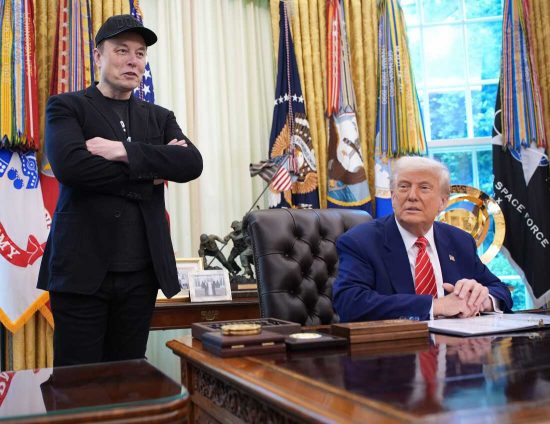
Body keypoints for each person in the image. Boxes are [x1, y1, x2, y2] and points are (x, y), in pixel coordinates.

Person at [37, 14, 203, 366]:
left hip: (142, 272)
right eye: (122, 50)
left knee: (129, 379)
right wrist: (151, 169)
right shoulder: (67, 106)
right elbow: (72, 168)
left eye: (140, 53)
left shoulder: (159, 117)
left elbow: (191, 164)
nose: (133, 61)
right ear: (98, 56)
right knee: (77, 383)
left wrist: (122, 151)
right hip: (81, 270)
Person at [333, 156, 512, 322]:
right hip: (395, 343)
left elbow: (500, 290)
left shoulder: (460, 241)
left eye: (424, 188)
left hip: (457, 343)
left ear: (443, 202)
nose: (412, 196)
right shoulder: (361, 241)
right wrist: (436, 306)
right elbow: (349, 302)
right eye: (404, 187)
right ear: (393, 197)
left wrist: (481, 300)